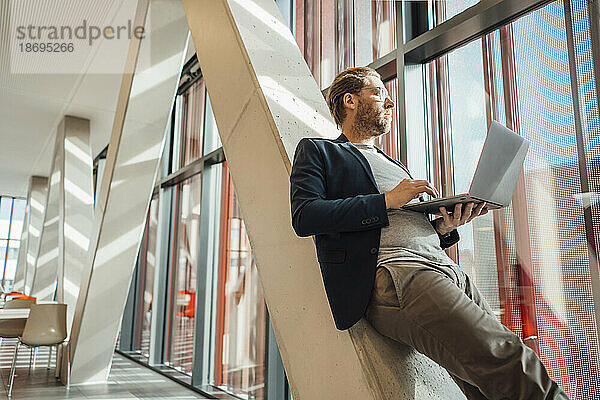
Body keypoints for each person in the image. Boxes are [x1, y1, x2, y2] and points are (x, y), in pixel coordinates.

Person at [289, 67, 568, 399]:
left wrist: (445, 226)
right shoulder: (320, 152)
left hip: (445, 270)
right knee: (506, 356)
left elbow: (403, 222)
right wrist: (387, 199)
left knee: (480, 383)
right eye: (379, 92)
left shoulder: (393, 163)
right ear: (350, 101)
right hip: (399, 275)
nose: (390, 102)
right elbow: (305, 216)